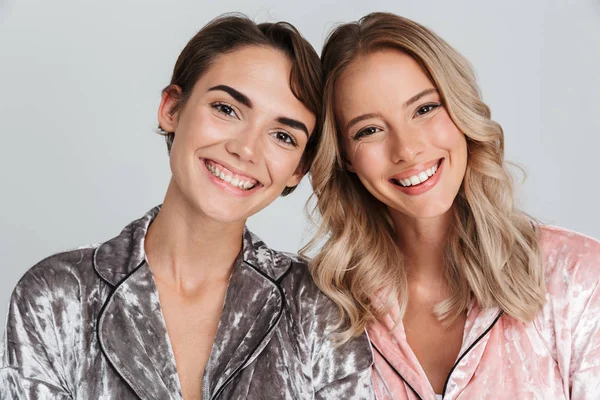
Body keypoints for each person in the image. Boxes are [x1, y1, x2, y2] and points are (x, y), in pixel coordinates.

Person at [0, 14, 374, 400]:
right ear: (171, 109)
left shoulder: (319, 309)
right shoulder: (57, 295)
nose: (246, 149)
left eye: (282, 135)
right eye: (227, 109)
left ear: (299, 168)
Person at [305, 12, 600, 400]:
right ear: (343, 156)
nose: (407, 149)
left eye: (424, 109)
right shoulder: (318, 313)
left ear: (460, 113)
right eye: (369, 130)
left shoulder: (578, 278)